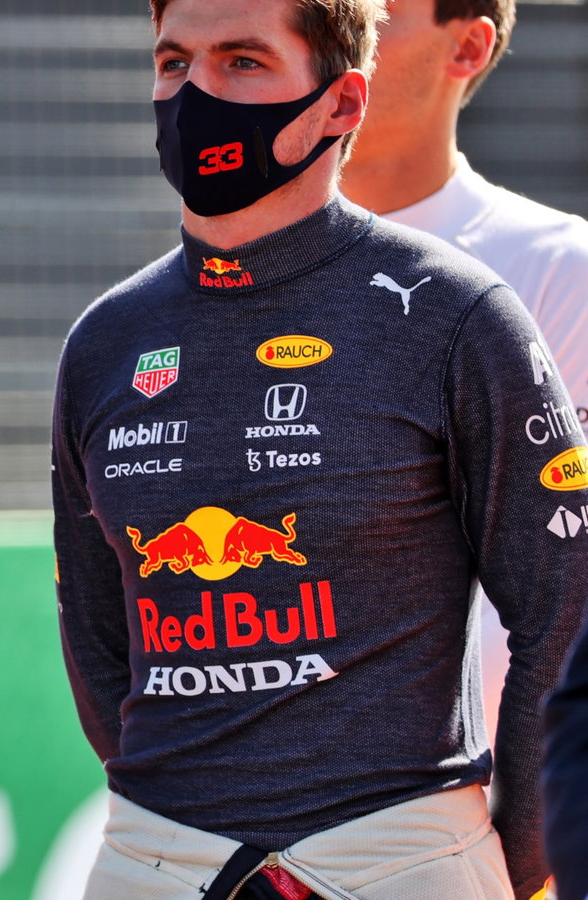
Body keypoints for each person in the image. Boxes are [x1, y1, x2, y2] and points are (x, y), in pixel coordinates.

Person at [50, 0, 587, 897]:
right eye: (175, 62)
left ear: (342, 103)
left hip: (407, 849)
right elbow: (99, 638)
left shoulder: (460, 311)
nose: (196, 95)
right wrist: (188, 812)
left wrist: (491, 857)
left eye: (244, 62)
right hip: (155, 854)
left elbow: (560, 611)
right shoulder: (105, 341)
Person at [340, 0, 588, 772]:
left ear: (469, 47)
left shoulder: (560, 265)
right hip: (273, 813)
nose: (341, 37)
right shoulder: (228, 270)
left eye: (377, 14)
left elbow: (567, 571)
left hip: (492, 813)